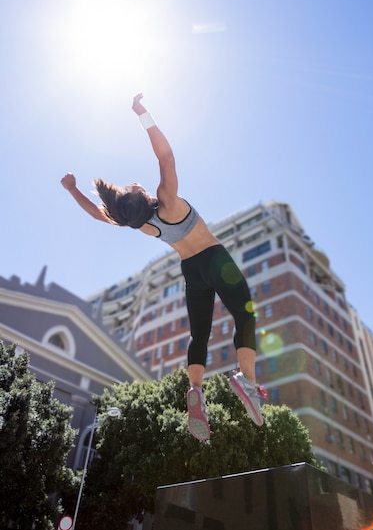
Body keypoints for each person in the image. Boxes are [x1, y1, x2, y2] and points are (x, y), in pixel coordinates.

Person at [61, 93, 266, 441]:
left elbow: (100, 214)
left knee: (199, 334)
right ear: (141, 193)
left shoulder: (143, 225)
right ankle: (247, 381)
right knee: (244, 316)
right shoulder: (168, 201)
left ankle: (196, 390)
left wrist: (72, 190)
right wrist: (143, 113)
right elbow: (166, 156)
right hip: (216, 260)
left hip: (191, 272)